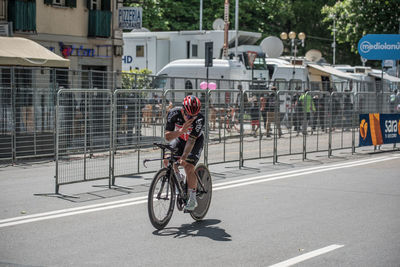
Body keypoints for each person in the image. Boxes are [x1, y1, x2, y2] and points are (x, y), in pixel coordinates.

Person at [164, 95, 205, 211]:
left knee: (188, 165)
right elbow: (167, 137)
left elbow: (191, 140)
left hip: (195, 142)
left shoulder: (199, 119)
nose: (190, 118)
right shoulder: (173, 113)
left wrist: (184, 157)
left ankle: (192, 199)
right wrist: (181, 131)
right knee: (166, 159)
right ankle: (178, 177)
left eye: (193, 116)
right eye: (188, 115)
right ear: (182, 110)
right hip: (180, 139)